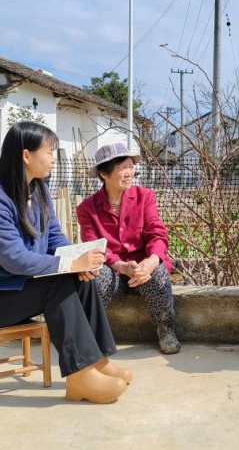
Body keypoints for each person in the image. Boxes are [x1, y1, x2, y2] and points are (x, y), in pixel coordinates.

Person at [0, 121, 130, 404]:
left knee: (80, 278)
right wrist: (69, 266)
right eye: (49, 152)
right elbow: (14, 259)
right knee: (59, 281)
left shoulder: (39, 191)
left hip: (14, 289)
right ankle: (80, 377)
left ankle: (98, 361)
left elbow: (55, 237)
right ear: (26, 155)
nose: (53, 159)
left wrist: (79, 261)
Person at [76, 142, 180, 355]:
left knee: (159, 273)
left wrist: (151, 261)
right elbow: (94, 247)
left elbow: (156, 233)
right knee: (95, 276)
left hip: (142, 268)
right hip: (113, 269)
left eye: (131, 167)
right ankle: (93, 331)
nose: (130, 172)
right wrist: (121, 266)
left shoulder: (145, 196)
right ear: (104, 173)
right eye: (123, 167)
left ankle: (165, 327)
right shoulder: (87, 208)